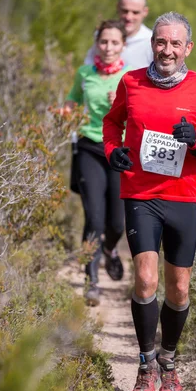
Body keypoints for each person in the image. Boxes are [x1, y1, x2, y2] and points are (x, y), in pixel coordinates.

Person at [103, 12, 196, 391]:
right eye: (161, 42)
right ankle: (145, 365)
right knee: (145, 280)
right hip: (140, 193)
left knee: (179, 287)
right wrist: (113, 153)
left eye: (176, 44)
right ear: (152, 43)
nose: (167, 50)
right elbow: (112, 124)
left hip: (183, 197)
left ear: (187, 48)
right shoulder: (131, 82)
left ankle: (169, 362)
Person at [65, 19, 132, 306]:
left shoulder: (131, 77)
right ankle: (91, 281)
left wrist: (121, 103)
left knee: (117, 222)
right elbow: (72, 101)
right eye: (103, 42)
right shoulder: (84, 73)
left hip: (119, 151)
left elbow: (139, 116)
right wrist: (65, 111)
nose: (108, 47)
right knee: (93, 216)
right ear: (97, 43)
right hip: (90, 147)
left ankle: (109, 249)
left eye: (114, 42)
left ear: (123, 46)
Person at [84, 0, 153, 69]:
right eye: (125, 11)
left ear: (145, 12)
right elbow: (89, 67)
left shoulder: (152, 42)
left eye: (135, 12)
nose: (129, 17)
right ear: (117, 7)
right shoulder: (103, 35)